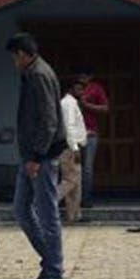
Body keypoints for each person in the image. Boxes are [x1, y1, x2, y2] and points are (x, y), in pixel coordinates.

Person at [6, 32, 68, 279]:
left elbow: (48, 119)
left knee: (47, 214)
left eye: (14, 56)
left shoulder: (39, 75)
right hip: (31, 155)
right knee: (21, 209)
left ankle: (54, 272)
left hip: (41, 156)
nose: (14, 62)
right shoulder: (33, 73)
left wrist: (37, 156)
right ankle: (51, 262)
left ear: (23, 54)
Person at [78, 71, 109, 208]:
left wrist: (87, 105)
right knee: (72, 168)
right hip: (74, 133)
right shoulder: (74, 88)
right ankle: (71, 200)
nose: (82, 78)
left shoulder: (96, 88)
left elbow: (105, 108)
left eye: (85, 75)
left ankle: (86, 198)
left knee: (87, 168)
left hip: (90, 132)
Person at [59, 76, 87, 224]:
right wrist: (75, 148)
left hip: (72, 145)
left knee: (75, 184)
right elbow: (68, 126)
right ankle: (45, 203)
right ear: (70, 89)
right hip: (70, 148)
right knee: (70, 181)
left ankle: (73, 215)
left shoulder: (71, 103)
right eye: (79, 89)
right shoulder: (69, 104)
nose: (82, 92)